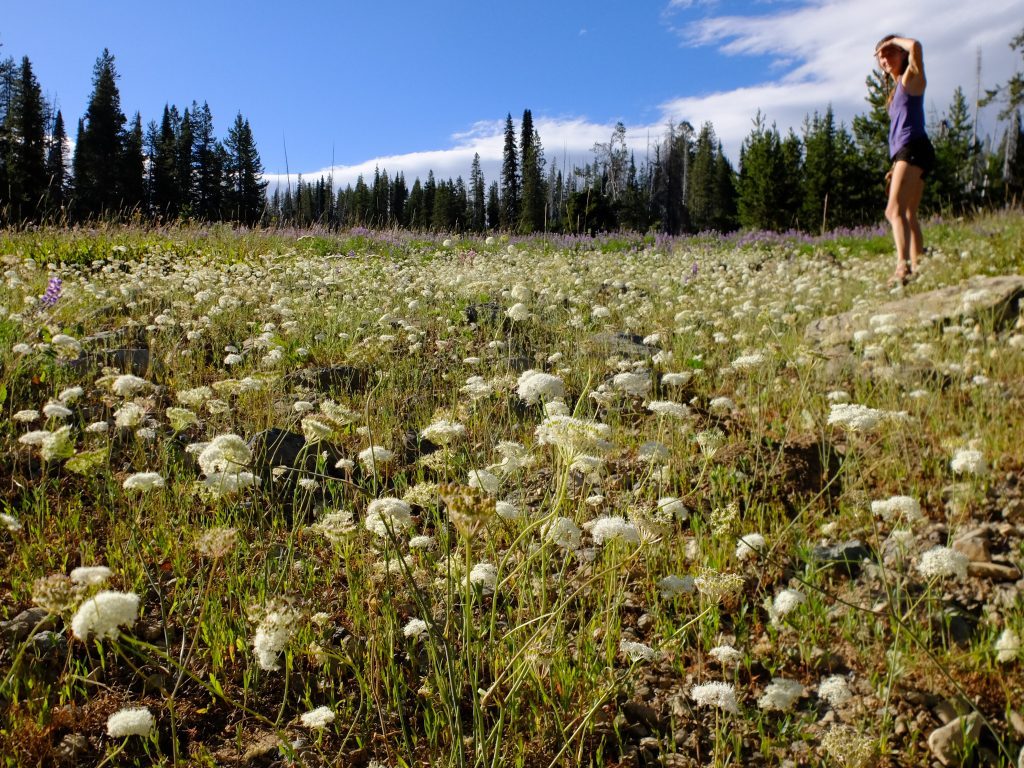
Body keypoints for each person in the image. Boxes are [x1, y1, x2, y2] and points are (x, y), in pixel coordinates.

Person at [874, 34, 935, 287]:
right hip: (909, 151)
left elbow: (917, 47)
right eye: (880, 56)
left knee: (893, 210)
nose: (885, 59)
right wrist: (894, 167)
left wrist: (896, 40)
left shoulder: (912, 78)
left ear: (901, 52)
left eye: (889, 52)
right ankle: (918, 264)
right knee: (908, 213)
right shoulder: (898, 87)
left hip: (912, 149)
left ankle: (903, 267)